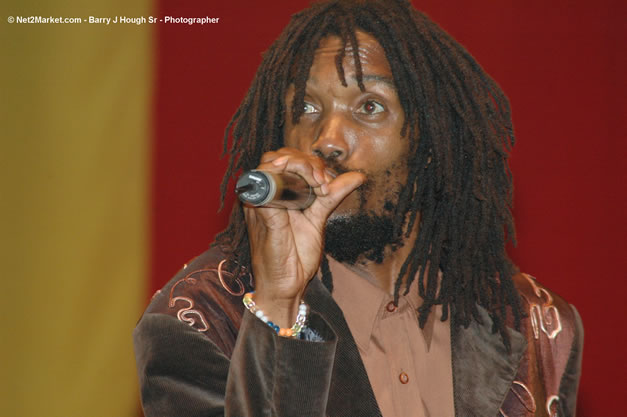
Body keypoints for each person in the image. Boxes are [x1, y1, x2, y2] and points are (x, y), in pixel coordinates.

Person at [133, 1, 583, 416]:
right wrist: (279, 306)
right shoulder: (198, 317)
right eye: (306, 106)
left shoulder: (537, 323)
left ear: (428, 144)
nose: (327, 139)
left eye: (369, 106)